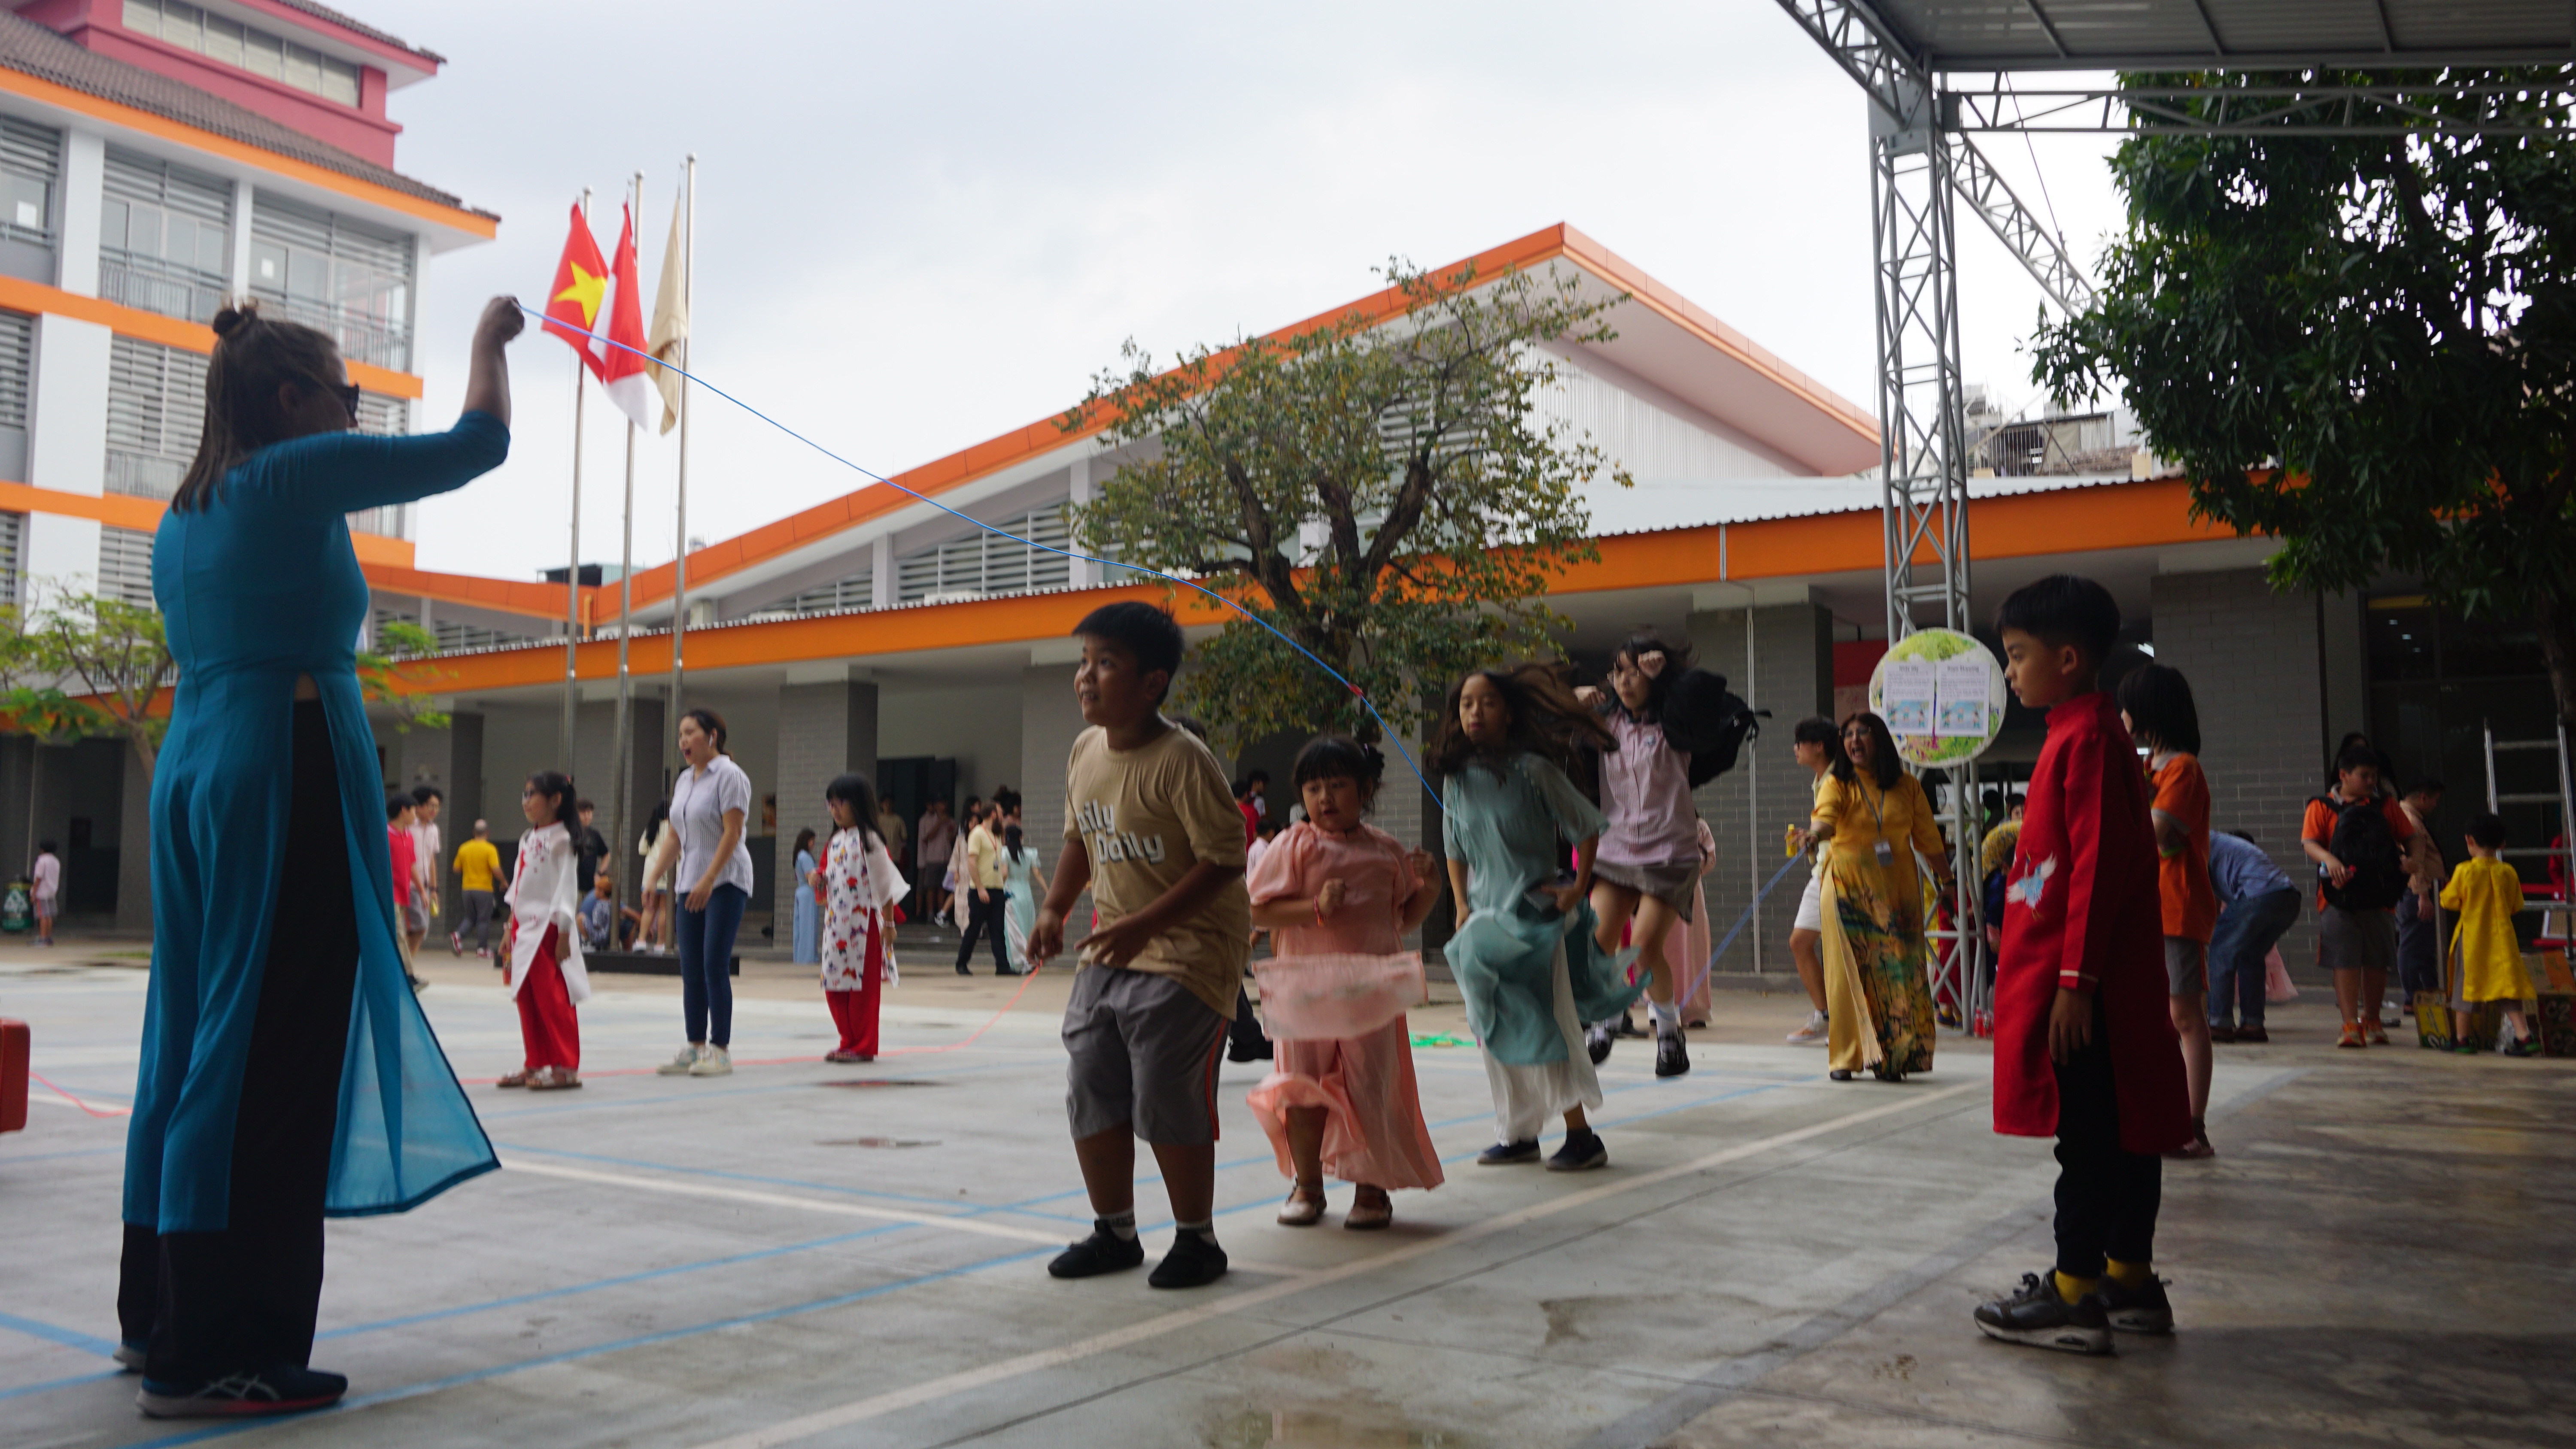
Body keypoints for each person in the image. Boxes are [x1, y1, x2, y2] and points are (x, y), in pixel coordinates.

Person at [118, 294, 518, 1416]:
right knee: (271, 1052)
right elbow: (476, 445)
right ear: (290, 400)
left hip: (198, 767)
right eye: (346, 395)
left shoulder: (185, 511)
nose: (353, 415)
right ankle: (220, 1350)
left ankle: (159, 1314)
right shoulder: (286, 478)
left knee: (191, 1039)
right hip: (277, 770)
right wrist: (486, 345)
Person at [1975, 574, 2190, 1356]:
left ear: (2067, 659)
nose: (2010, 671)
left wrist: (2075, 985)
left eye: (2017, 655)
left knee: (2091, 1136)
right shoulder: (2078, 733)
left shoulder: (2089, 741)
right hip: (2098, 978)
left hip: (2085, 985)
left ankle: (2073, 1294)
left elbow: (2097, 871)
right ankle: (2127, 1277)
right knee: (2124, 1127)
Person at [1026, 601, 1251, 1291]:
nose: (1085, 677)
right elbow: (1081, 838)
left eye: (1106, 663)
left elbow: (1225, 861)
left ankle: (1197, 1240)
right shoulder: (1085, 751)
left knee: (1164, 1088)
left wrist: (1147, 924)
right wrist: (1055, 908)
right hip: (1114, 945)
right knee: (1091, 1079)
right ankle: (1114, 1233)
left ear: (1153, 683)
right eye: (1083, 662)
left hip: (1189, 952)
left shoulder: (1182, 760)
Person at [1435, 664, 1634, 1171]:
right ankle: (1517, 1133)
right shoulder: (1457, 777)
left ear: (1509, 713)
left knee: (1549, 1021)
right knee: (1493, 1027)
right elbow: (1454, 846)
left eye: (1488, 702)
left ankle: (1581, 1136)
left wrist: (1577, 889)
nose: (1476, 713)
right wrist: (1461, 904)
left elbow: (1586, 827)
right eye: (1466, 704)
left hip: (1534, 916)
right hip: (1484, 921)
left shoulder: (1534, 770)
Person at [1245, 735, 1446, 1229]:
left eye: (1337, 785)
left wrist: (1432, 888)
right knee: (1302, 1089)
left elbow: (1401, 919)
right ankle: (1307, 1185)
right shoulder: (1292, 845)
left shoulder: (1386, 850)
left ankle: (1372, 1189)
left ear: (1366, 789)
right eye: (1313, 788)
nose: (1325, 798)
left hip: (1369, 994)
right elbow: (1258, 910)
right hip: (1307, 992)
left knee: (1371, 1087)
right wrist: (1313, 908)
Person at [1575, 631, 1732, 1078]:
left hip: (1670, 851)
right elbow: (1544, 726)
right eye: (1617, 672)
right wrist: (1572, 701)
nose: (1625, 681)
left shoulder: (1678, 720)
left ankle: (1668, 1034)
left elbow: (1711, 695)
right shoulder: (1604, 724)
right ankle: (1608, 1020)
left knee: (1644, 947)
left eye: (1636, 671)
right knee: (1597, 942)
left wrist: (1669, 678)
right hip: (1616, 849)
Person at [1794, 712, 1954, 1084]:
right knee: (1847, 972)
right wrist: (1814, 835)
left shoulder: (1908, 786)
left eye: (1862, 733)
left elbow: (1929, 839)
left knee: (1898, 973)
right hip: (1847, 888)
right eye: (1848, 735)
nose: (1854, 740)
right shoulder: (1837, 783)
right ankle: (1845, 1056)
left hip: (1898, 892)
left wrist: (1947, 880)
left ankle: (1893, 1058)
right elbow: (1825, 818)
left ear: (1879, 740)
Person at [2117, 663, 2219, 1161]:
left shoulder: (2182, 769)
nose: (2121, 715)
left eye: (2127, 705)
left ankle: (2192, 1125)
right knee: (2157, 1016)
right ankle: (2165, 1117)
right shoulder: (2149, 767)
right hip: (2146, 906)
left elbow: (2154, 832)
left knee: (2185, 1015)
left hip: (2175, 906)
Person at [646, 708, 756, 1078]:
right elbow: (675, 836)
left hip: (725, 880)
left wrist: (710, 879)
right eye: (680, 734)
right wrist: (653, 878)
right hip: (688, 882)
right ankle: (695, 1047)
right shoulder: (683, 780)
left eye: (690, 733)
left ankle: (720, 1050)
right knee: (691, 967)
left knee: (713, 964)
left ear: (712, 737)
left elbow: (733, 832)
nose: (683, 741)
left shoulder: (730, 776)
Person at [2304, 740, 2417, 1048]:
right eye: (2364, 776)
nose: (2371, 782)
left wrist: (2412, 860)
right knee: (2345, 959)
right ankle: (2350, 1024)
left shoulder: (2386, 806)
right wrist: (2330, 860)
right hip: (2338, 898)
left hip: (2381, 895)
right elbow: (2310, 843)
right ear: (2344, 775)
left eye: (2374, 776)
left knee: (2377, 960)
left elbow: (2411, 838)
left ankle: (2373, 1020)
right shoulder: (2321, 806)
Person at [500, 772, 589, 1091]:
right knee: (526, 996)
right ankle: (535, 1061)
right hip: (523, 926)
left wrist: (564, 933)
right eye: (524, 795)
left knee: (553, 998)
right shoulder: (529, 837)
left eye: (531, 795)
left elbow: (567, 889)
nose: (525, 801)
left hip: (548, 928)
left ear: (555, 800)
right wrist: (509, 926)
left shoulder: (562, 839)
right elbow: (519, 885)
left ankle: (566, 1067)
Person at [819, 773, 906, 1063]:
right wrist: (818, 879)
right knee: (835, 985)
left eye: (840, 802)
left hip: (864, 925)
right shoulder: (834, 841)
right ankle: (848, 1041)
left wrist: (889, 925)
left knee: (861, 989)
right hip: (836, 925)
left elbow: (885, 886)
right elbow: (830, 879)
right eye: (831, 804)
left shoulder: (871, 840)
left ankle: (864, 1045)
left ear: (857, 803)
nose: (834, 809)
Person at [2442, 813, 2540, 1056]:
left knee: (2466, 986)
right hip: (2503, 941)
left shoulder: (2465, 871)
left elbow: (2449, 901)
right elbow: (2516, 905)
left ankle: (2462, 1039)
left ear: (2469, 840)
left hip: (2472, 940)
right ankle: (2524, 1036)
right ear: (2502, 844)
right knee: (2507, 989)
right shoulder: (2508, 872)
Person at [2205, 831, 2300, 1044]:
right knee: (2251, 956)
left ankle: (2219, 1024)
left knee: (2221, 952)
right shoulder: (2219, 843)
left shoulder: (2196, 842)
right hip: (2288, 897)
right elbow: (2212, 897)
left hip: (2257, 894)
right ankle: (2253, 1025)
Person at [1784, 716, 1841, 1044]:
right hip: (1821, 871)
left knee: (1841, 949)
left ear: (1819, 746)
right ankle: (1825, 1015)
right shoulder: (1820, 780)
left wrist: (1817, 836)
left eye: (1800, 743)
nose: (1795, 749)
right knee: (1800, 941)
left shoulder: (1840, 779)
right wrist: (1810, 840)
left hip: (1842, 874)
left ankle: (1847, 1024)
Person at [2393, 779, 2446, 1006]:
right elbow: (2415, 865)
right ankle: (2412, 998)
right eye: (2435, 800)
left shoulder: (2406, 817)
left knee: (2423, 947)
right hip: (2416, 893)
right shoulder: (2410, 821)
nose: (2435, 805)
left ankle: (2429, 993)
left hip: (2420, 891)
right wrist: (2423, 897)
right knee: (2413, 946)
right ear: (2424, 798)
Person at [957, 796, 1016, 976]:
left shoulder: (996, 835)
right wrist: (980, 888)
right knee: (974, 928)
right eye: (1000, 813)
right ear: (993, 814)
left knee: (998, 929)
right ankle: (962, 963)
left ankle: (1003, 966)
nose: (1003, 816)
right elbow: (972, 862)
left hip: (997, 889)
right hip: (980, 890)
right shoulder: (977, 834)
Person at [386, 794, 425, 991]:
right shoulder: (385, 835)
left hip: (403, 894)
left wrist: (422, 891)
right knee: (399, 934)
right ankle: (407, 975)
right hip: (389, 894)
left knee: (398, 934)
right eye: (414, 811)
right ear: (404, 810)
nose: (415, 816)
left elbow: (411, 865)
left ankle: (399, 975)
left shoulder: (408, 837)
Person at [1001, 823, 1049, 970]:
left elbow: (1004, 873)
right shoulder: (1030, 853)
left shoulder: (1005, 853)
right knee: (1028, 927)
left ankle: (1021, 962)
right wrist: (1048, 891)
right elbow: (1037, 874)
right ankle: (1029, 958)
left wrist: (999, 888)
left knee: (1014, 930)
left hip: (1011, 894)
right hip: (1027, 895)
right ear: (1021, 837)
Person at [451, 820, 501, 958]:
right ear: (487, 833)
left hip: (467, 889)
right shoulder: (490, 849)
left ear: (474, 833)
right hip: (484, 889)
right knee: (484, 919)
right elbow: (496, 869)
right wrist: (503, 881)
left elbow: (456, 869)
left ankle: (458, 935)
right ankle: (482, 949)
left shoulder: (464, 848)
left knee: (471, 917)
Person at [636, 801, 674, 953]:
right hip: (668, 869)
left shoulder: (651, 827)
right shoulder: (674, 828)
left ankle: (641, 941)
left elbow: (642, 849)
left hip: (650, 871)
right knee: (665, 909)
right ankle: (660, 944)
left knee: (649, 908)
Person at [408, 785, 444, 950]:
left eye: (437, 807)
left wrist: (434, 889)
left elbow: (431, 860)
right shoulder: (408, 827)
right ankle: (405, 963)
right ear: (419, 805)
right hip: (409, 886)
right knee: (419, 927)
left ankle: (407, 963)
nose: (435, 810)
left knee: (422, 930)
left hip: (425, 887)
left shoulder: (434, 829)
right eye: (431, 806)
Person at [916, 799, 957, 922]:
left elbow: (953, 838)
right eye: (940, 803)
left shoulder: (951, 821)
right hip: (932, 858)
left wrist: (951, 834)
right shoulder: (927, 820)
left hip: (946, 857)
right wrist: (940, 823)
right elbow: (927, 837)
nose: (943, 806)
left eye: (944, 803)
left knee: (942, 887)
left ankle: (941, 913)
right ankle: (930, 913)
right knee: (931, 887)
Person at [790, 828, 823, 966]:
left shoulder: (799, 855)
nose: (813, 844)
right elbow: (812, 878)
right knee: (809, 927)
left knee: (801, 927)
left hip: (801, 892)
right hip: (809, 893)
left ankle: (800, 956)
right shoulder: (806, 856)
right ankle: (808, 957)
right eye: (812, 841)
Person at [572, 800, 611, 901]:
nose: (587, 816)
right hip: (574, 887)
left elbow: (606, 855)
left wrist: (600, 874)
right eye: (583, 813)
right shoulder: (570, 834)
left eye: (589, 813)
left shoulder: (594, 835)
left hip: (591, 888)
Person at [30, 838, 59, 947]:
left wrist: (33, 893)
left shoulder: (42, 861)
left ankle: (43, 939)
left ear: (42, 849)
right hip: (52, 891)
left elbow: (38, 878)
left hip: (42, 892)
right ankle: (48, 938)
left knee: (43, 915)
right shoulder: (56, 861)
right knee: (49, 915)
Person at [580, 875, 615, 954]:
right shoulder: (610, 904)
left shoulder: (600, 905)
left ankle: (588, 944)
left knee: (580, 918)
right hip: (608, 937)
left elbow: (597, 925)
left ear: (602, 892)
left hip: (600, 938)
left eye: (597, 889)